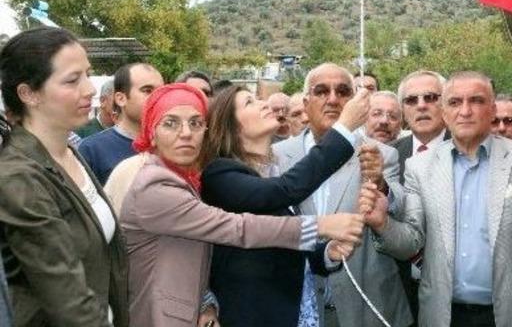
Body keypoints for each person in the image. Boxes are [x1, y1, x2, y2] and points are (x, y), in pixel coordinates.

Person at [121, 83, 365, 327]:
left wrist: (324, 253)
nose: (186, 133)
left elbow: (200, 257)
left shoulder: (264, 170)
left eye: (195, 123)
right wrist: (343, 128)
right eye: (170, 123)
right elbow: (245, 226)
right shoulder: (213, 175)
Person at [362, 71, 512, 327]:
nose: (465, 111)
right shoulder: (419, 167)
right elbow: (411, 242)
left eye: (475, 101)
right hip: (443, 316)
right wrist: (382, 224)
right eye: (454, 102)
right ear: (444, 111)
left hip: (510, 314)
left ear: (492, 108)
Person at [200, 84, 373, 326]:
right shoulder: (220, 174)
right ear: (230, 126)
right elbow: (283, 191)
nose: (264, 104)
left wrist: (325, 253)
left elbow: (278, 237)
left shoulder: (270, 171)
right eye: (250, 102)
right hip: (253, 316)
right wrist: (344, 127)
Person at [0, 27, 129, 326]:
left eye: (88, 74)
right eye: (72, 80)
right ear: (28, 93)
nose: (90, 89)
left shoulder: (70, 152)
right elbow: (67, 301)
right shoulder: (18, 176)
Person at [274, 63, 412, 327]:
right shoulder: (278, 157)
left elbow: (400, 219)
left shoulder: (379, 154)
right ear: (305, 102)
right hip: (298, 307)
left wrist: (380, 184)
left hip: (366, 310)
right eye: (322, 91)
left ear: (355, 101)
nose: (333, 99)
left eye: (343, 91)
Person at [389, 70, 449, 323]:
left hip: (452, 296)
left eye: (431, 97)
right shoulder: (389, 156)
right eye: (411, 100)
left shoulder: (467, 152)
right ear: (403, 110)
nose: (421, 105)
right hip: (400, 292)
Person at [78, 62, 164, 183]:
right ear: (120, 99)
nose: (157, 98)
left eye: (161, 92)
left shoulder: (169, 145)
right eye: (147, 90)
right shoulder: (92, 149)